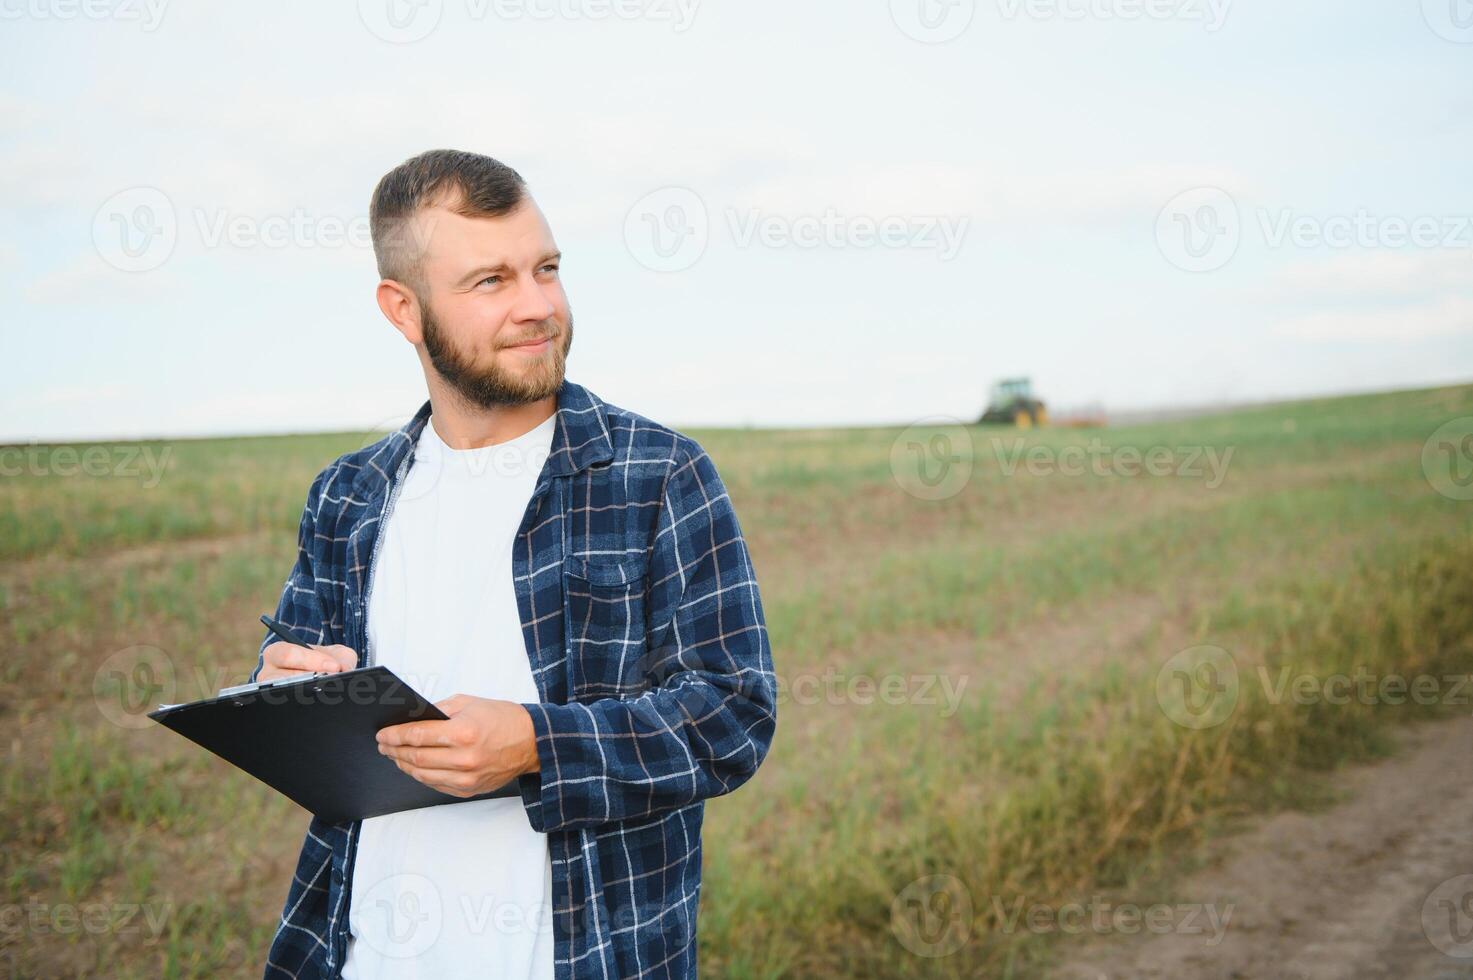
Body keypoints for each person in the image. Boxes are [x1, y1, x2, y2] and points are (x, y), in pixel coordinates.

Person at [250, 149, 777, 979]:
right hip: (363, 954)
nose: (539, 307)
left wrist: (537, 743)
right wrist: (281, 688)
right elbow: (297, 686)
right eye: (491, 281)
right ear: (403, 309)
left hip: (582, 955)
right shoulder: (347, 494)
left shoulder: (657, 474)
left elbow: (732, 716)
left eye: (547, 268)